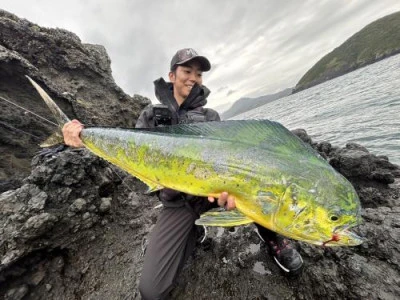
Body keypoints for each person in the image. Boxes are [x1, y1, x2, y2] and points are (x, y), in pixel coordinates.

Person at [62, 48, 303, 299]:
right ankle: (193, 231)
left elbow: (231, 164)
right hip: (178, 203)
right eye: (187, 71)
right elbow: (127, 151)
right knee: (151, 291)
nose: (194, 78)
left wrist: (230, 194)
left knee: (258, 184)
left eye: (199, 74)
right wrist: (80, 137)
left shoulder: (211, 117)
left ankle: (272, 237)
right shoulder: (150, 116)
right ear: (171, 76)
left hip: (213, 195)